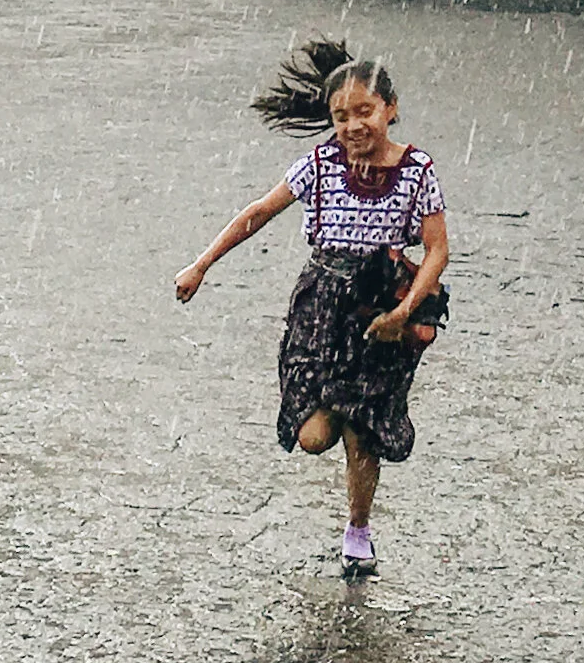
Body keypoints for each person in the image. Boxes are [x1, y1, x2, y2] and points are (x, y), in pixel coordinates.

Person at [174, 36, 450, 580]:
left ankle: (358, 532)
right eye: (341, 116)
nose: (353, 126)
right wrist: (200, 265)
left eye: (365, 112)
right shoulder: (320, 165)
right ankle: (338, 419)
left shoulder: (417, 170)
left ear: (391, 109)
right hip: (319, 308)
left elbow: (437, 249)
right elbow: (258, 212)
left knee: (362, 431)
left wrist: (404, 313)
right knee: (314, 436)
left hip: (379, 309)